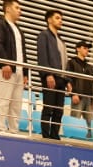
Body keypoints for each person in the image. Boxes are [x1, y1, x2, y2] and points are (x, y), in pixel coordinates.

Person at [0, 0, 26, 133]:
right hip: (5, 69)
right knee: (3, 101)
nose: (20, 11)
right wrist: (5, 63)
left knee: (16, 104)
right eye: (17, 8)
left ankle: (14, 130)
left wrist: (25, 73)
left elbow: (23, 52)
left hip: (19, 71)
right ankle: (0, 129)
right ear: (8, 9)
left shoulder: (18, 30)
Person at [35, 9, 69, 140]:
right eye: (57, 18)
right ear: (49, 20)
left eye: (61, 18)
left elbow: (65, 61)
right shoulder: (44, 35)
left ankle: (55, 135)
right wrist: (48, 74)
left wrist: (68, 80)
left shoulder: (61, 40)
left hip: (61, 79)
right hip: (50, 77)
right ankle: (46, 135)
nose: (60, 20)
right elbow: (42, 56)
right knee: (48, 108)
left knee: (59, 110)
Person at [66, 40, 93, 139]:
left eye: (88, 48)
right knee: (75, 121)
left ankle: (89, 143)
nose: (87, 50)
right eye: (84, 48)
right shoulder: (71, 63)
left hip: (88, 98)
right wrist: (73, 94)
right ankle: (73, 141)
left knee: (90, 124)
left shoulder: (89, 67)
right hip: (78, 96)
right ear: (78, 49)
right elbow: (68, 79)